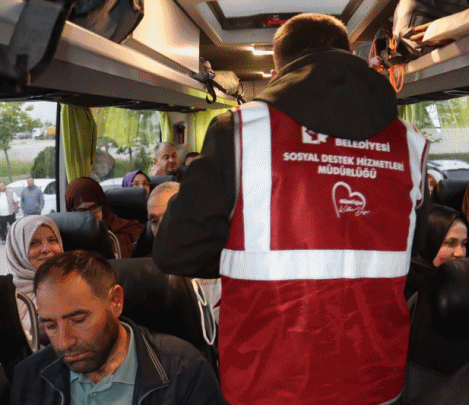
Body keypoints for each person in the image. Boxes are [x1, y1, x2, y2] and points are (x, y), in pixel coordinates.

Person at [154, 13, 429, 405]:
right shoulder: (410, 143)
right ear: (349, 56)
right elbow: (412, 250)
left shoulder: (240, 130)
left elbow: (175, 250)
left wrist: (245, 249)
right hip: (375, 379)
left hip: (269, 380)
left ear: (278, 70)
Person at [11, 250, 224, 404]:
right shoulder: (30, 377)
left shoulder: (184, 370)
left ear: (115, 301)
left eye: (78, 320)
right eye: (50, 325)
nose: (64, 342)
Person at [5, 215, 63, 335]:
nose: (46, 249)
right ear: (17, 250)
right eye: (34, 243)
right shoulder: (5, 293)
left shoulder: (76, 284)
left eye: (52, 240)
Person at [66, 177, 144, 258]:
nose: (90, 216)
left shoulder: (131, 230)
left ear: (103, 206)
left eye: (94, 207)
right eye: (81, 211)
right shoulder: (67, 240)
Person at [405, 204, 469, 299]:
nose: (460, 253)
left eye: (464, 244)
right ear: (426, 243)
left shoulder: (462, 283)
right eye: (450, 243)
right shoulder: (401, 290)